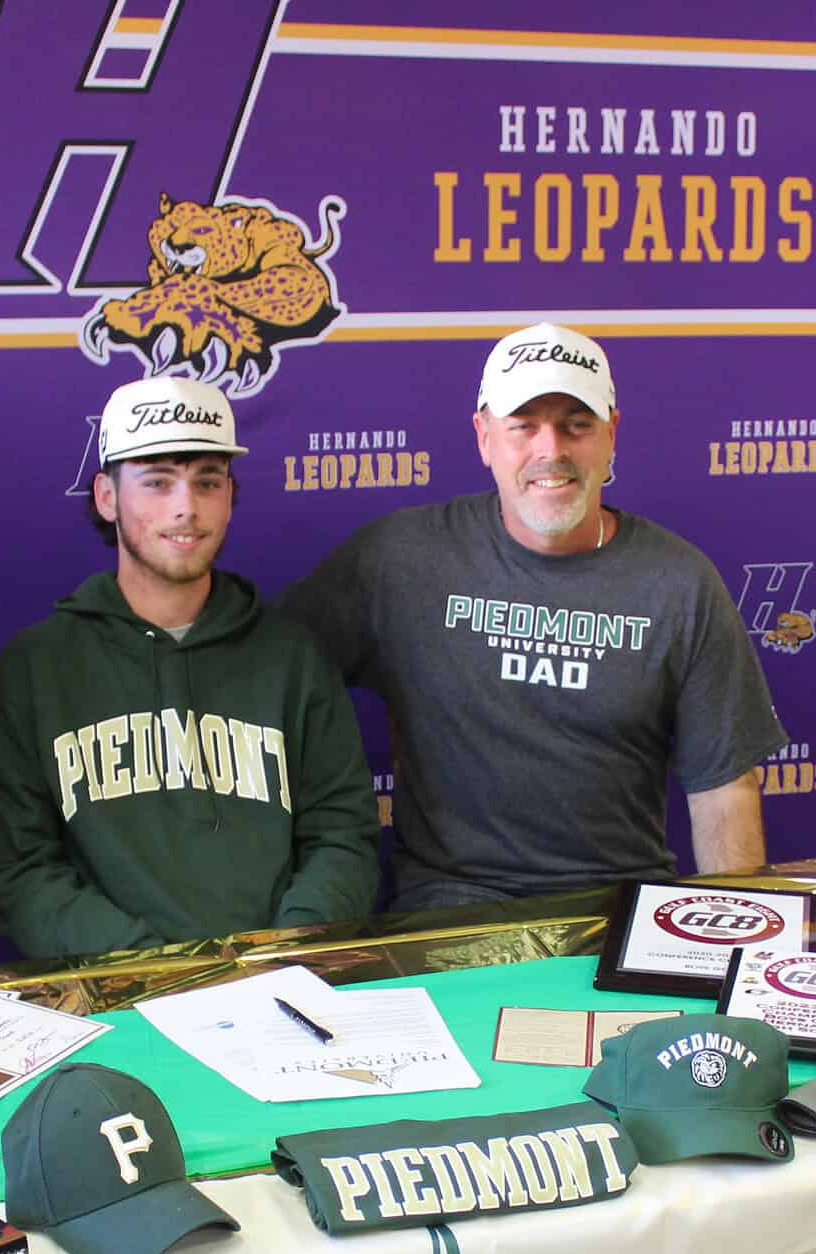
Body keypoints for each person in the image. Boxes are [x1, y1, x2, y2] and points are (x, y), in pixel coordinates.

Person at [282, 322, 786, 911]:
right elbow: (272, 681)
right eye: (524, 425)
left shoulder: (680, 583)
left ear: (611, 435)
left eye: (576, 424)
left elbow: (724, 790)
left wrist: (744, 948)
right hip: (451, 909)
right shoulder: (398, 560)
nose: (551, 450)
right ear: (484, 437)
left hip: (618, 907)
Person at [0, 377, 377, 958]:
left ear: (230, 496)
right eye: (157, 482)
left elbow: (343, 836)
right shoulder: (36, 667)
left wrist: (286, 951)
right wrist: (151, 968)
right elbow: (19, 869)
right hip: (114, 994)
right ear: (108, 497)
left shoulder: (293, 657)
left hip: (281, 983)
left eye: (206, 482)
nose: (186, 507)